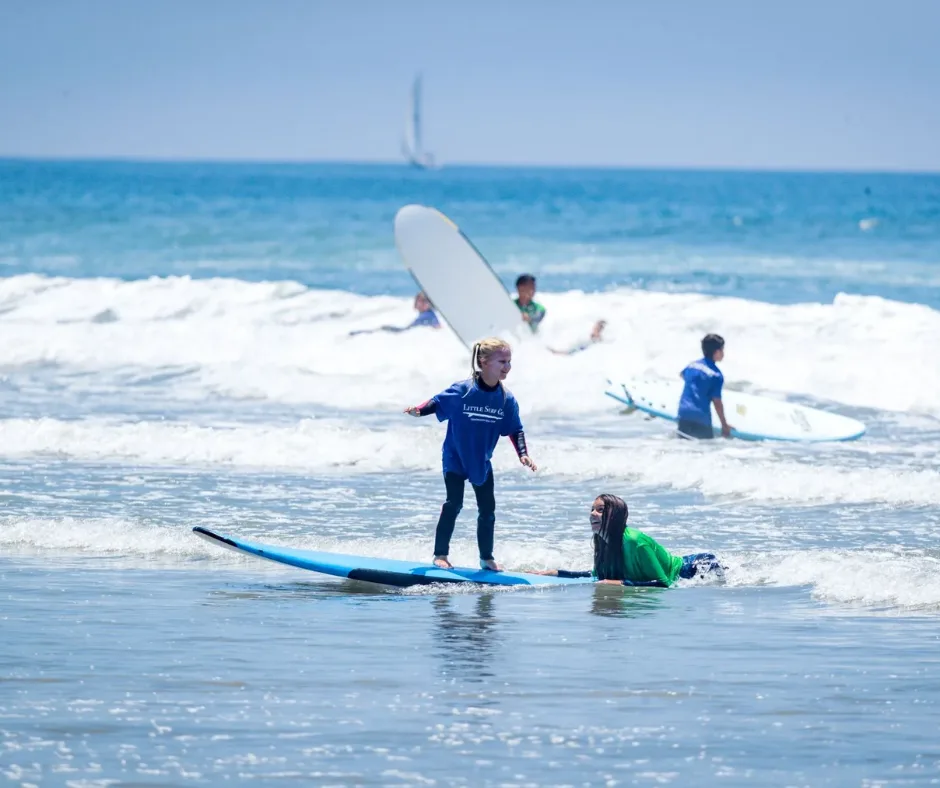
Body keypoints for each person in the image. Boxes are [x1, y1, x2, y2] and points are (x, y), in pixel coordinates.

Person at [404, 337, 537, 571]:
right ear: (484, 361)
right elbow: (437, 402)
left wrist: (523, 454)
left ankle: (486, 558)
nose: (507, 367)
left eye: (509, 362)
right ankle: (440, 555)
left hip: (481, 460)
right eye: (502, 361)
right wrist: (418, 410)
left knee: (488, 510)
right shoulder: (463, 391)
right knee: (453, 503)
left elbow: (515, 429)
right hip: (455, 456)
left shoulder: (506, 399)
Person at [533, 494, 723, 587]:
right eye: (592, 509)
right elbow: (597, 576)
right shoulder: (601, 540)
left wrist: (620, 584)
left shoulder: (635, 541)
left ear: (614, 516)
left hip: (696, 568)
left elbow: (664, 583)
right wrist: (555, 573)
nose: (592, 514)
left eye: (600, 510)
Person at [677, 333, 733, 439]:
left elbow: (682, 375)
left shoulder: (691, 365)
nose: (723, 353)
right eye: (722, 350)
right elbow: (717, 402)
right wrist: (724, 425)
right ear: (716, 352)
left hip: (683, 413)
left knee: (683, 448)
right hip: (700, 417)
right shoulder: (716, 375)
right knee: (704, 451)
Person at [349, 292, 441, 336]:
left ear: (427, 304)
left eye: (420, 300)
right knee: (383, 328)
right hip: (404, 332)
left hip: (402, 333)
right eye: (416, 299)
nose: (416, 302)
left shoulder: (427, 316)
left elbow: (406, 332)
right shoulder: (429, 315)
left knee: (381, 329)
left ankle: (359, 334)